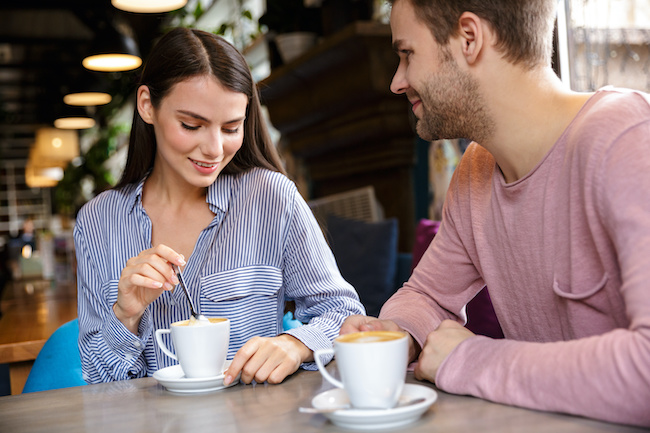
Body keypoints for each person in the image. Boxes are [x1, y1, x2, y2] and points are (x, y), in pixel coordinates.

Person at [341, 0, 650, 426]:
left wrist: (470, 359)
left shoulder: (628, 140)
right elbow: (427, 295)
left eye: (407, 54)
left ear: (469, 38)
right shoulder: (476, 171)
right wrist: (393, 334)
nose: (398, 82)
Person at [75, 27, 365, 386]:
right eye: (191, 125)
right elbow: (99, 384)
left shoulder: (270, 198)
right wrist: (125, 315)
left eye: (230, 128)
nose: (214, 149)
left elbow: (343, 313)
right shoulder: (97, 222)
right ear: (147, 105)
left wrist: (296, 344)